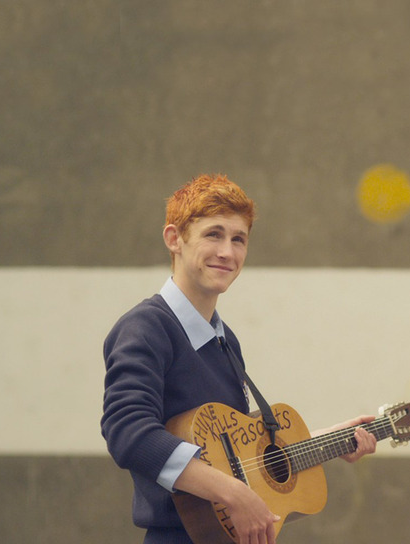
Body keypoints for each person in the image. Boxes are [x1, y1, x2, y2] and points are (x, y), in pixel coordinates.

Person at [101, 174, 377, 544]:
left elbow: (241, 456)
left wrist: (331, 440)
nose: (227, 252)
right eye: (213, 234)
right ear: (174, 239)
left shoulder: (224, 338)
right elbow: (128, 432)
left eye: (238, 239)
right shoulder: (146, 327)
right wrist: (231, 493)